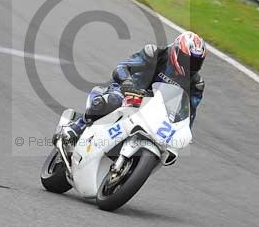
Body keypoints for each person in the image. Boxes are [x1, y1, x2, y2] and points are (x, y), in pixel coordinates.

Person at [59, 31, 207, 145]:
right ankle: (77, 127)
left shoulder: (195, 84)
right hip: (130, 92)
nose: (191, 66)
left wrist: (184, 132)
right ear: (176, 52)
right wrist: (127, 82)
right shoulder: (155, 54)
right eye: (188, 60)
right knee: (114, 99)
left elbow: (189, 113)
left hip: (156, 111)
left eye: (195, 62)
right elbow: (122, 67)